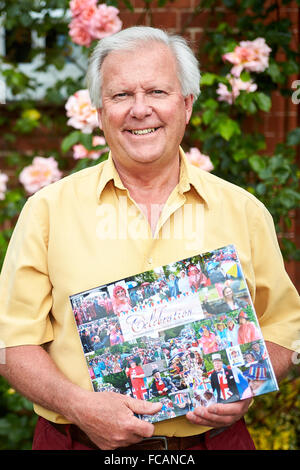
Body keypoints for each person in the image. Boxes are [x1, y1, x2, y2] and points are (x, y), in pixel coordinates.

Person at [0, 26, 299, 451]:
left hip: (213, 443)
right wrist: (78, 404)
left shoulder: (244, 211)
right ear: (100, 112)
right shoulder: (48, 211)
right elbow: (12, 341)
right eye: (121, 95)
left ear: (187, 104)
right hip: (78, 443)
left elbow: (285, 324)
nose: (140, 110)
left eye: (157, 91)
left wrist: (248, 380)